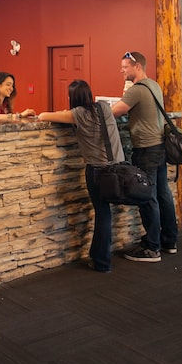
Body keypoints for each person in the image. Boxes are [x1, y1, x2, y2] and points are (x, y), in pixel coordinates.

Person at [38, 80, 122, 272]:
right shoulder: (104, 107)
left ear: (72, 97)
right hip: (116, 167)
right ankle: (100, 257)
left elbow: (43, 116)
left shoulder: (77, 114)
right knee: (105, 213)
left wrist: (65, 112)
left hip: (98, 171)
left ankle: (102, 261)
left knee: (102, 214)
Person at [111, 50, 179, 263]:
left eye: (125, 67)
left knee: (147, 197)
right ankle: (169, 241)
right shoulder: (154, 85)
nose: (122, 70)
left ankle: (151, 248)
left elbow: (113, 112)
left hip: (146, 149)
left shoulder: (137, 90)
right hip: (159, 146)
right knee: (163, 194)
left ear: (137, 66)